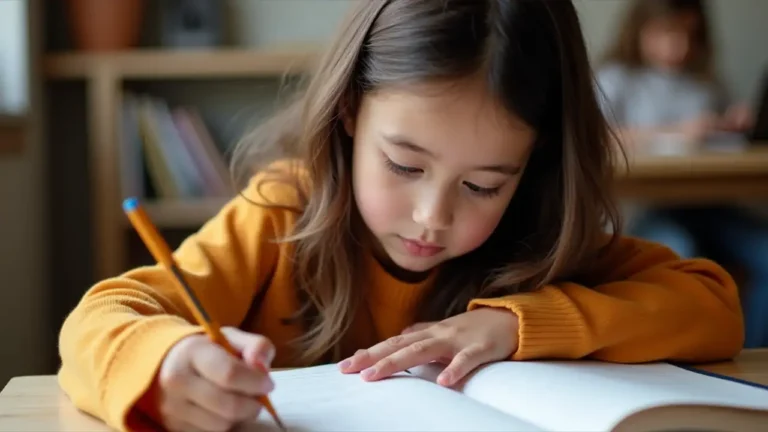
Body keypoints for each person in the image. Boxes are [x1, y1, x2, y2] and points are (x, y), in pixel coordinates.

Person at [58, 1, 745, 431]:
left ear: (531, 169)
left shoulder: (536, 234)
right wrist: (166, 364)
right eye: (406, 166)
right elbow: (101, 318)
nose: (430, 216)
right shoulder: (282, 211)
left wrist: (513, 325)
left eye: (481, 185)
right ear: (352, 111)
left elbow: (711, 304)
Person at [595, 0, 767, 350]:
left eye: (689, 36)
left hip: (709, 206)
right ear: (640, 30)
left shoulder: (705, 84)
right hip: (645, 208)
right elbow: (599, 136)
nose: (680, 46)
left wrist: (733, 127)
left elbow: (717, 140)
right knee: (680, 254)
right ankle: (688, 359)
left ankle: (750, 354)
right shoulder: (617, 78)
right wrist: (675, 132)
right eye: (669, 33)